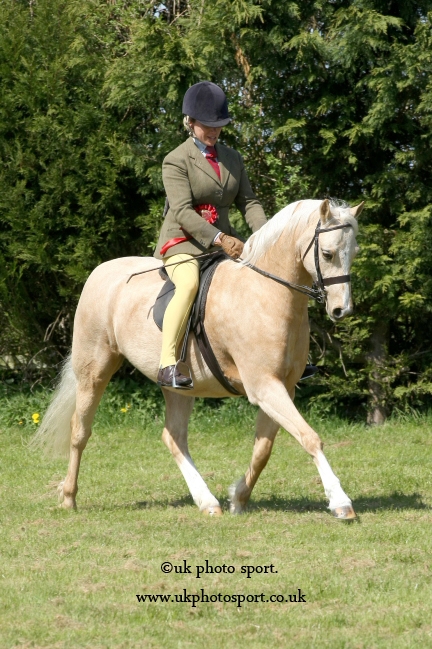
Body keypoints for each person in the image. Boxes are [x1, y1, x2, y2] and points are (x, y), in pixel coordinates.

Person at [154, 81, 267, 388]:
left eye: (219, 126)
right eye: (207, 126)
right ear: (190, 122)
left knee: (264, 278)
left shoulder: (233, 158)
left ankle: (276, 358)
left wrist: (266, 235)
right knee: (189, 284)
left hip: (224, 243)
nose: (214, 132)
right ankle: (167, 364)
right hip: (183, 242)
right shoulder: (175, 160)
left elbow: (250, 202)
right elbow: (182, 211)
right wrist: (219, 239)